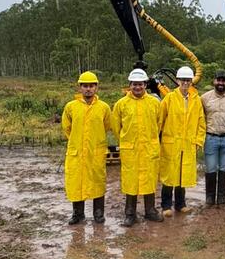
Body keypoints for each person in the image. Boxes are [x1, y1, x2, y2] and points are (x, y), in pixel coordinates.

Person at [111, 68, 164, 227]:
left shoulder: (155, 103)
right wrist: (127, 140)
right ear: (130, 85)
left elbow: (159, 124)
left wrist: (151, 140)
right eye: (134, 84)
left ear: (145, 84)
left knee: (149, 180)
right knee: (131, 182)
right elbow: (116, 126)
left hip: (149, 148)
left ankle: (150, 211)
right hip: (130, 149)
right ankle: (130, 214)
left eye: (140, 84)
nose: (137, 87)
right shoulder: (121, 104)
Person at [61, 71, 111, 225]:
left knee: (97, 182)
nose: (88, 89)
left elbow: (107, 126)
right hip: (77, 152)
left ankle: (98, 213)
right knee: (76, 182)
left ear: (96, 87)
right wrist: (78, 142)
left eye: (91, 86)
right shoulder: (71, 107)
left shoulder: (103, 107)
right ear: (80, 87)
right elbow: (67, 127)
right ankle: (78, 213)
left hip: (96, 152)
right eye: (85, 86)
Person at [159, 66, 206, 216]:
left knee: (182, 174)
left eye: (188, 80)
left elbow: (201, 122)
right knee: (169, 175)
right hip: (170, 143)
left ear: (191, 81)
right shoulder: (169, 98)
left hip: (187, 144)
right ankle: (166, 206)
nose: (185, 83)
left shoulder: (196, 100)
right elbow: (160, 119)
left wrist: (198, 141)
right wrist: (157, 140)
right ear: (177, 81)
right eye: (183, 80)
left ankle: (181, 204)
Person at [201, 69, 225, 207]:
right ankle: (210, 198)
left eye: (224, 80)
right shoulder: (204, 98)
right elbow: (201, 117)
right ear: (214, 81)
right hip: (211, 137)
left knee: (224, 167)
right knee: (211, 168)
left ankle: (222, 198)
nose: (221, 83)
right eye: (218, 80)